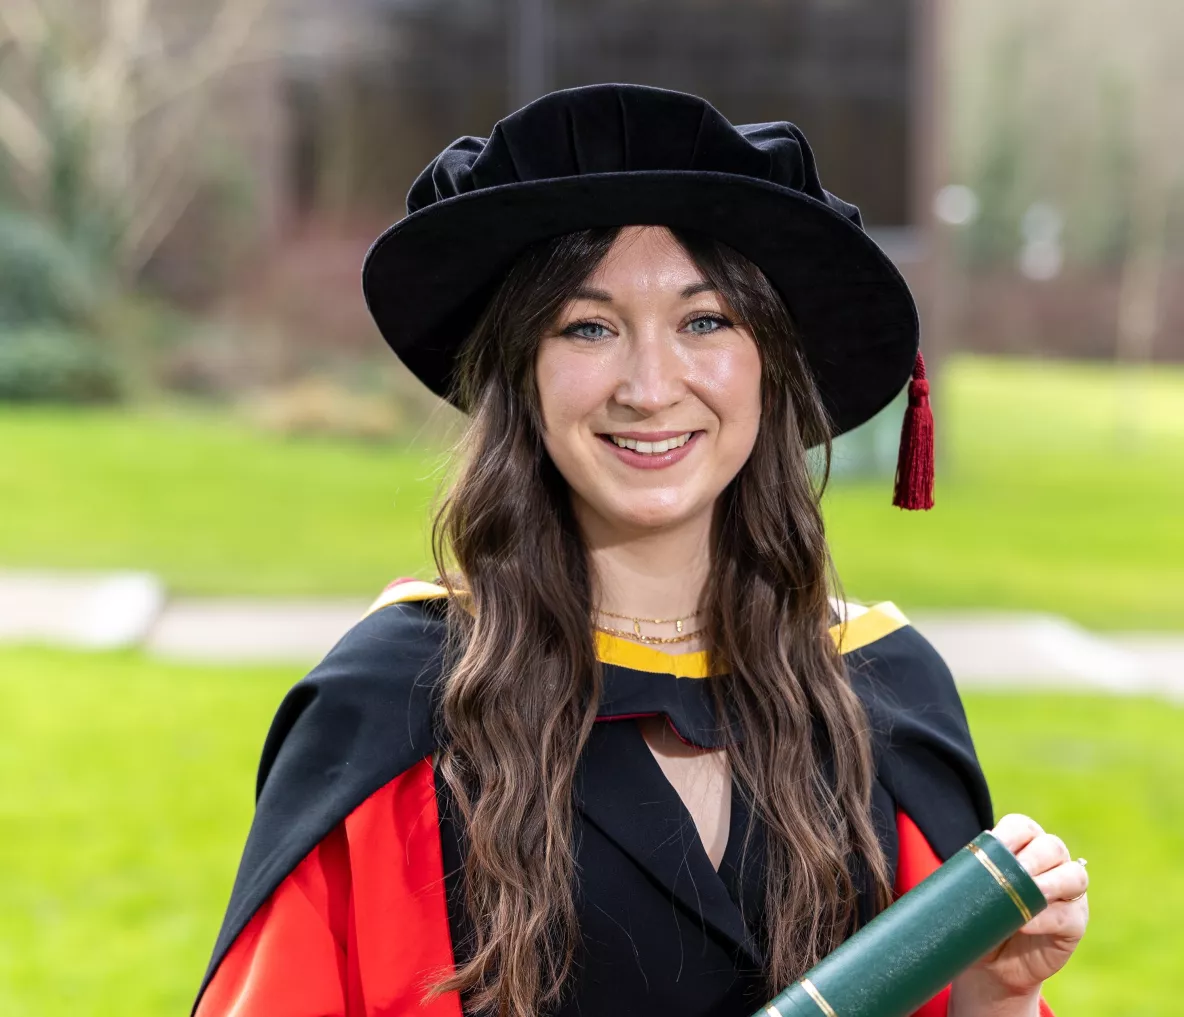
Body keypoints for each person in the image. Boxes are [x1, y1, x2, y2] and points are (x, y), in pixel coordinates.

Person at [191, 84, 1089, 1017]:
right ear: (522, 372)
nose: (652, 387)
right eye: (589, 327)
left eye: (705, 322)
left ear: (770, 363)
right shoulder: (394, 712)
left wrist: (996, 995)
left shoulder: (885, 700)